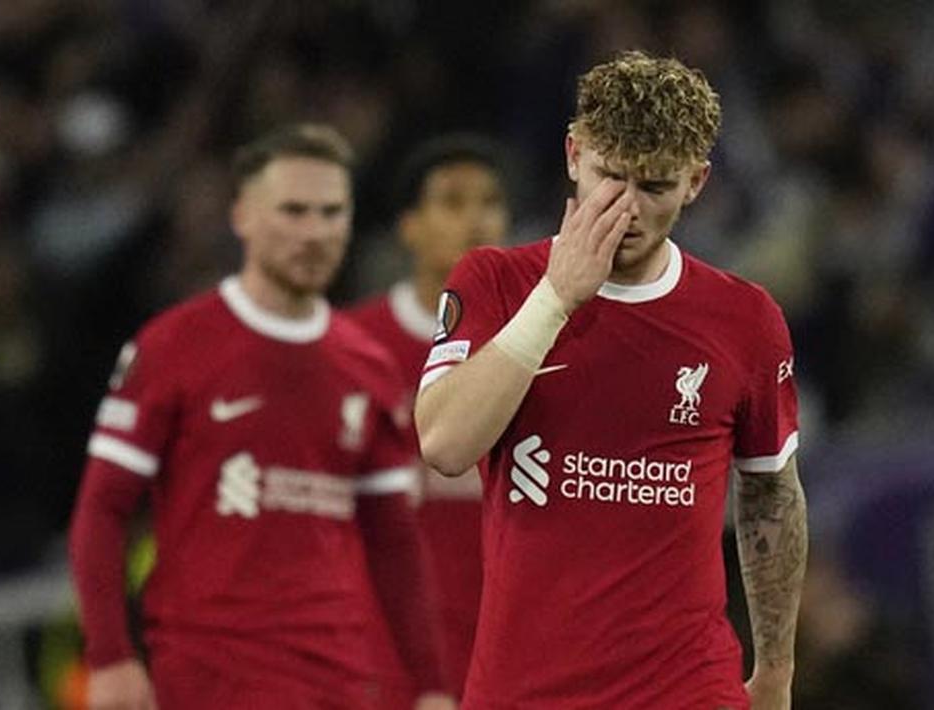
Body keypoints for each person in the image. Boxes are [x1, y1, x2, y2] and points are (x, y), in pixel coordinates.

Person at [415, 51, 808, 709]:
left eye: (653, 187)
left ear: (696, 183)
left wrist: (775, 668)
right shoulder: (495, 282)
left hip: (687, 688)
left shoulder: (743, 319)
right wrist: (556, 297)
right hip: (525, 689)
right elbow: (445, 445)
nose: (624, 208)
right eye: (608, 176)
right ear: (573, 155)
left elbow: (771, 494)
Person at [68, 124, 452, 710]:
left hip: (341, 676)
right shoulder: (175, 345)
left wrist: (428, 685)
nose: (315, 232)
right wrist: (110, 657)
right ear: (243, 216)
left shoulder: (365, 366)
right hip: (211, 673)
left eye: (332, 212)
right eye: (293, 211)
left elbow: (394, 542)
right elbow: (103, 507)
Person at [349, 134, 510, 704]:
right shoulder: (352, 349)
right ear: (408, 226)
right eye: (452, 201)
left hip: (511, 649)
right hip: (384, 656)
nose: (476, 219)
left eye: (489, 202)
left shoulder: (533, 347)